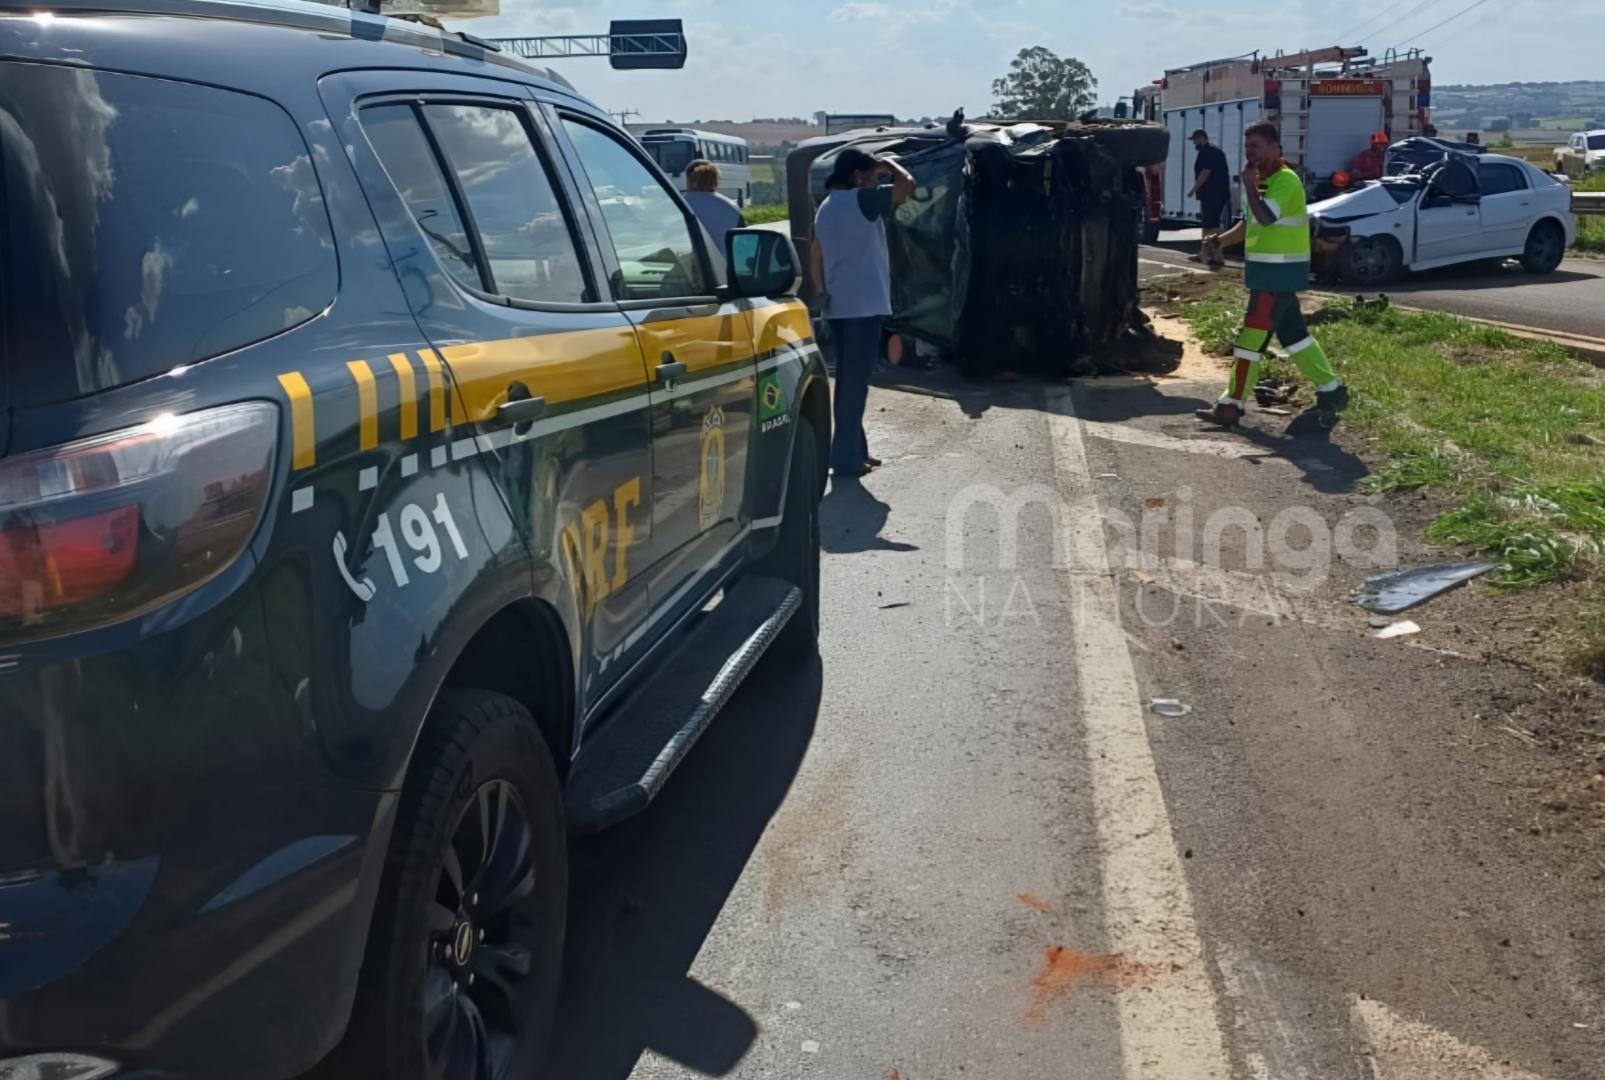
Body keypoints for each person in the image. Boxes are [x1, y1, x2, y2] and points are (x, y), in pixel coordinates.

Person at [1196, 120, 1348, 429]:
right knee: (1294, 336)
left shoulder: (1284, 181)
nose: (1250, 152)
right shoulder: (1263, 181)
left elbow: (1265, 218)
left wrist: (1249, 185)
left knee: (1250, 338)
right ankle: (1332, 390)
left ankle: (1231, 405)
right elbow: (1248, 223)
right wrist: (1217, 241)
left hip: (1277, 275)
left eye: (1256, 146)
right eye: (1247, 146)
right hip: (1268, 274)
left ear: (1275, 148)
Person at [809, 146, 915, 478]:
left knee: (848, 382)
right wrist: (890, 164)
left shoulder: (825, 207)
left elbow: (816, 253)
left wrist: (822, 290)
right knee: (855, 384)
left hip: (840, 304)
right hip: (864, 306)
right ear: (857, 176)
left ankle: (856, 450)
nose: (875, 181)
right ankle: (845, 459)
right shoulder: (862, 200)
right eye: (871, 176)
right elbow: (908, 186)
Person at [1186, 129, 1230, 267]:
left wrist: (1193, 190)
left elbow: (1205, 172)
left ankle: (1216, 255)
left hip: (1213, 193)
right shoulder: (1214, 151)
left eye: (1194, 140)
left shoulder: (1208, 152)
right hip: (1216, 193)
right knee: (1209, 225)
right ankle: (1206, 253)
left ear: (1201, 138)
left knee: (1211, 226)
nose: (1194, 143)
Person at [684, 159, 743, 254]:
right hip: (723, 266)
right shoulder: (732, 208)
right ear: (715, 180)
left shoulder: (679, 205)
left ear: (689, 180)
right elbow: (743, 244)